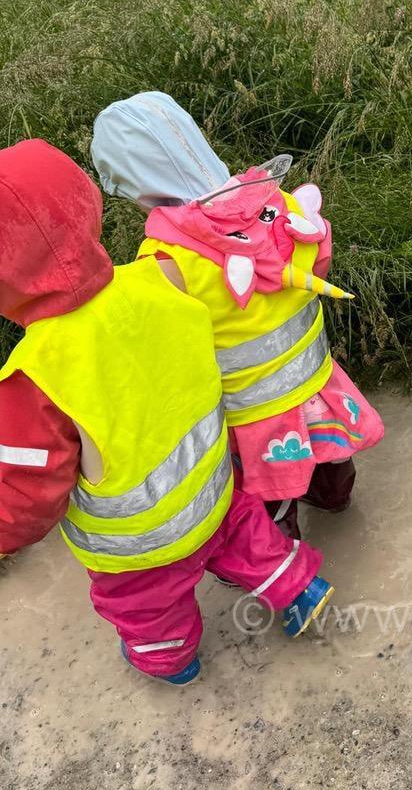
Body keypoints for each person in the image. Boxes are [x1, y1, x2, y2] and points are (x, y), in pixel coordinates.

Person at [0, 140, 333, 684]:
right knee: (246, 539)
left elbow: (26, 496)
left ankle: (169, 659)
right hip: (215, 486)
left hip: (140, 544)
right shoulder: (160, 279)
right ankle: (300, 588)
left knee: (147, 609)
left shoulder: (33, 375)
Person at [91, 93, 384, 539]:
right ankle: (334, 497)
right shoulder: (276, 201)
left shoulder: (167, 259)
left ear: (137, 183)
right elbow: (317, 265)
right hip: (313, 375)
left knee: (268, 488)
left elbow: (172, 349)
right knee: (329, 447)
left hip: (252, 409)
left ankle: (283, 556)